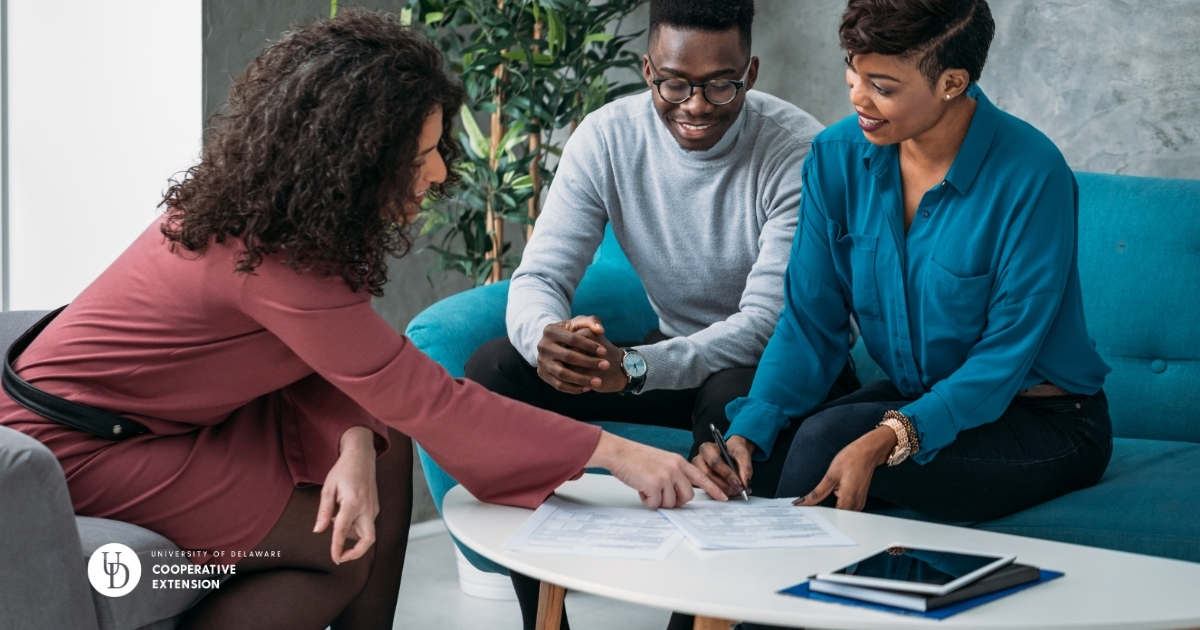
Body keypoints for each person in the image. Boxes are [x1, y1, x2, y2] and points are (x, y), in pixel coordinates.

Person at [0, 10, 725, 630]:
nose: (441, 174)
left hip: (160, 421)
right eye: (423, 155)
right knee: (336, 550)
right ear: (354, 161)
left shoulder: (286, 222)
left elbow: (339, 363)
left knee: (381, 451)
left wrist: (351, 439)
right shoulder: (267, 257)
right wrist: (620, 454)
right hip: (75, 449)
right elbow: (426, 395)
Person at [464, 2, 857, 627]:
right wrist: (547, 337)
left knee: (728, 402)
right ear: (648, 70)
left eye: (720, 84)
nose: (696, 105)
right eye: (674, 83)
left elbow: (767, 323)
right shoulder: (607, 137)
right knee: (493, 371)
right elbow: (539, 275)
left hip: (782, 371)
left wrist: (639, 366)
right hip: (671, 358)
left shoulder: (797, 151)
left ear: (750, 72)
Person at [698, 0, 1113, 540]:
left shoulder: (1032, 176)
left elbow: (1002, 359)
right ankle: (709, 622)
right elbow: (809, 326)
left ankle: (757, 619)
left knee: (829, 440)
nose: (855, 95)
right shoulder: (836, 157)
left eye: (883, 86)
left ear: (951, 81)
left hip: (1043, 421)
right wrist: (748, 432)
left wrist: (887, 437)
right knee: (751, 450)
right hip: (917, 397)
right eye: (852, 69)